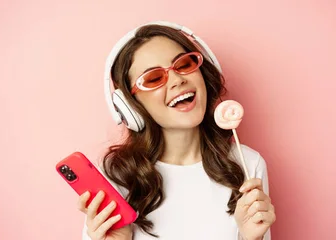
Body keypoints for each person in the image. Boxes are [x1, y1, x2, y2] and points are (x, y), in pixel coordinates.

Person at [77, 21, 276, 240]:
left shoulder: (247, 165)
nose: (177, 80)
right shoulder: (115, 177)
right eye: (154, 78)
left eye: (183, 65)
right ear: (131, 106)